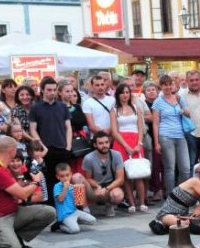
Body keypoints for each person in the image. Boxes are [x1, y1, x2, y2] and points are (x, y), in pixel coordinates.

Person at [0, 136, 56, 248]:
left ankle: (10, 235)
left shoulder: (1, 167)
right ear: (11, 151)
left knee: (49, 212)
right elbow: (22, 194)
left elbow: (14, 190)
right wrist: (36, 181)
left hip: (12, 213)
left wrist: (24, 183)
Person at [28, 77, 72, 206]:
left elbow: (68, 127)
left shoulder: (62, 106)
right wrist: (41, 147)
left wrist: (68, 146)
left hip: (62, 148)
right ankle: (52, 209)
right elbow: (33, 130)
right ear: (42, 90)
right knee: (48, 181)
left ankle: (71, 207)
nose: (52, 92)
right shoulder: (36, 108)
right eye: (49, 90)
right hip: (45, 150)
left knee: (66, 179)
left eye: (54, 89)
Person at [152, 75, 191, 194]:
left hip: (180, 135)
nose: (168, 87)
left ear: (173, 85)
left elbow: (188, 114)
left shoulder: (179, 98)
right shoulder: (158, 102)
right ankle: (170, 196)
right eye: (165, 85)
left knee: (185, 168)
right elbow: (155, 124)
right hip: (165, 136)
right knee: (170, 168)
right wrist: (157, 142)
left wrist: (185, 111)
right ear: (161, 86)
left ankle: (180, 193)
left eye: (170, 84)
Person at [110, 83, 147, 213]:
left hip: (136, 141)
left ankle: (142, 202)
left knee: (138, 173)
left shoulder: (137, 108)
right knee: (125, 175)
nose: (125, 95)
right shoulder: (114, 110)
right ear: (118, 95)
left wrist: (139, 143)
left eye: (127, 92)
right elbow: (114, 131)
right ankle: (131, 203)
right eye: (122, 93)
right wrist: (126, 146)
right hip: (121, 142)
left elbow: (141, 127)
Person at [74, 131, 125, 216]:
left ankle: (109, 206)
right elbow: (88, 178)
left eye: (106, 142)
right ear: (95, 145)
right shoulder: (88, 158)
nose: (105, 145)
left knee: (118, 195)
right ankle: (84, 209)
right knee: (76, 177)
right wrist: (97, 186)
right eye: (101, 143)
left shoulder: (116, 155)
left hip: (110, 189)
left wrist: (106, 189)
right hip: (95, 189)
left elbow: (120, 179)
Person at [51, 162, 96, 234]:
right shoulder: (57, 186)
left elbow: (78, 202)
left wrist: (80, 194)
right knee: (75, 230)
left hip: (74, 211)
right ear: (58, 177)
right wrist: (65, 188)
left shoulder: (72, 186)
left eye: (67, 175)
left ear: (71, 174)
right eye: (62, 176)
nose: (65, 178)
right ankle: (60, 225)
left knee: (93, 220)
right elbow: (60, 199)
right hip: (65, 215)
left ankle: (73, 222)